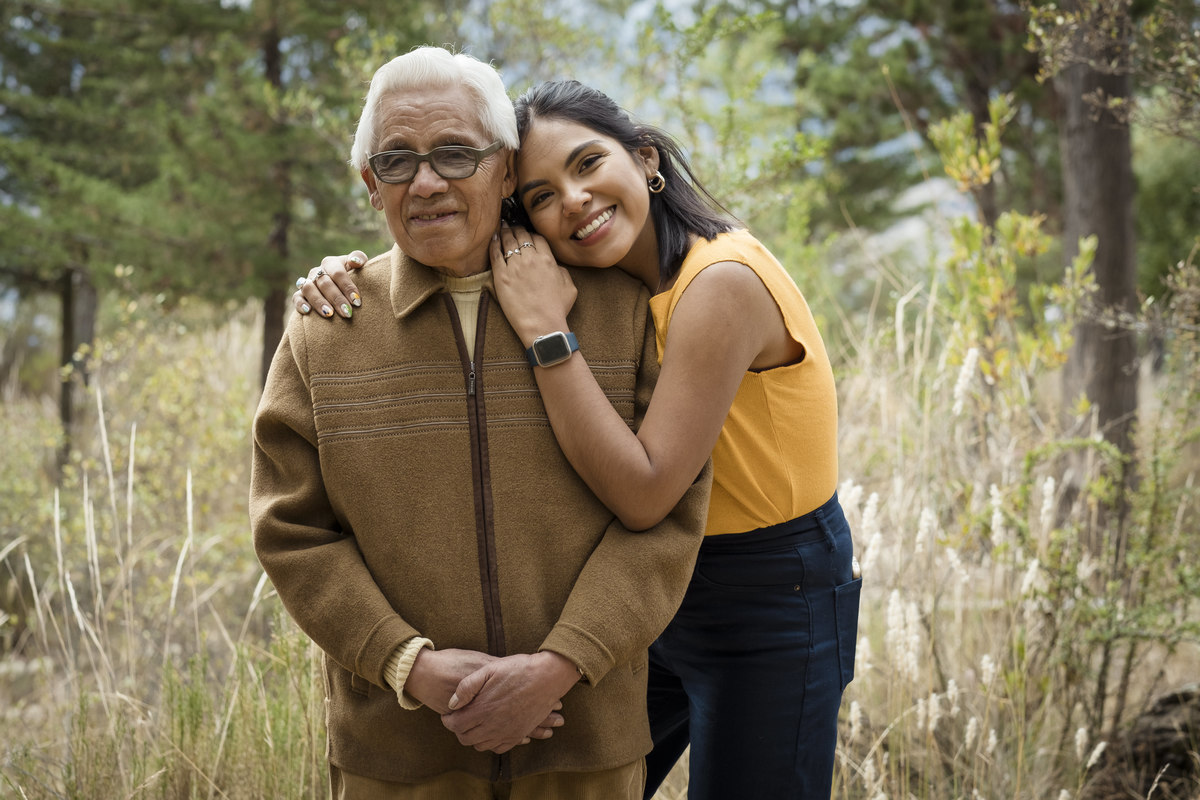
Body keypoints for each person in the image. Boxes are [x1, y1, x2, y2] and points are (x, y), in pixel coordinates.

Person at [295, 80, 861, 799]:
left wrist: (545, 332)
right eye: (540, 196)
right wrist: (353, 277)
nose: (575, 201)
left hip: (768, 588)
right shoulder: (598, 281)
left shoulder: (719, 283)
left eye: (589, 164)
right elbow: (448, 231)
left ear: (646, 159)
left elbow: (648, 493)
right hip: (648, 588)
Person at [251, 48, 711, 800]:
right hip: (396, 756)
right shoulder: (328, 329)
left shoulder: (615, 311)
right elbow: (292, 533)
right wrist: (411, 666)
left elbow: (668, 517)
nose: (425, 182)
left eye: (455, 154)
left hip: (584, 746)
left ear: (504, 172)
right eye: (395, 161)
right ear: (371, 185)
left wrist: (558, 666)